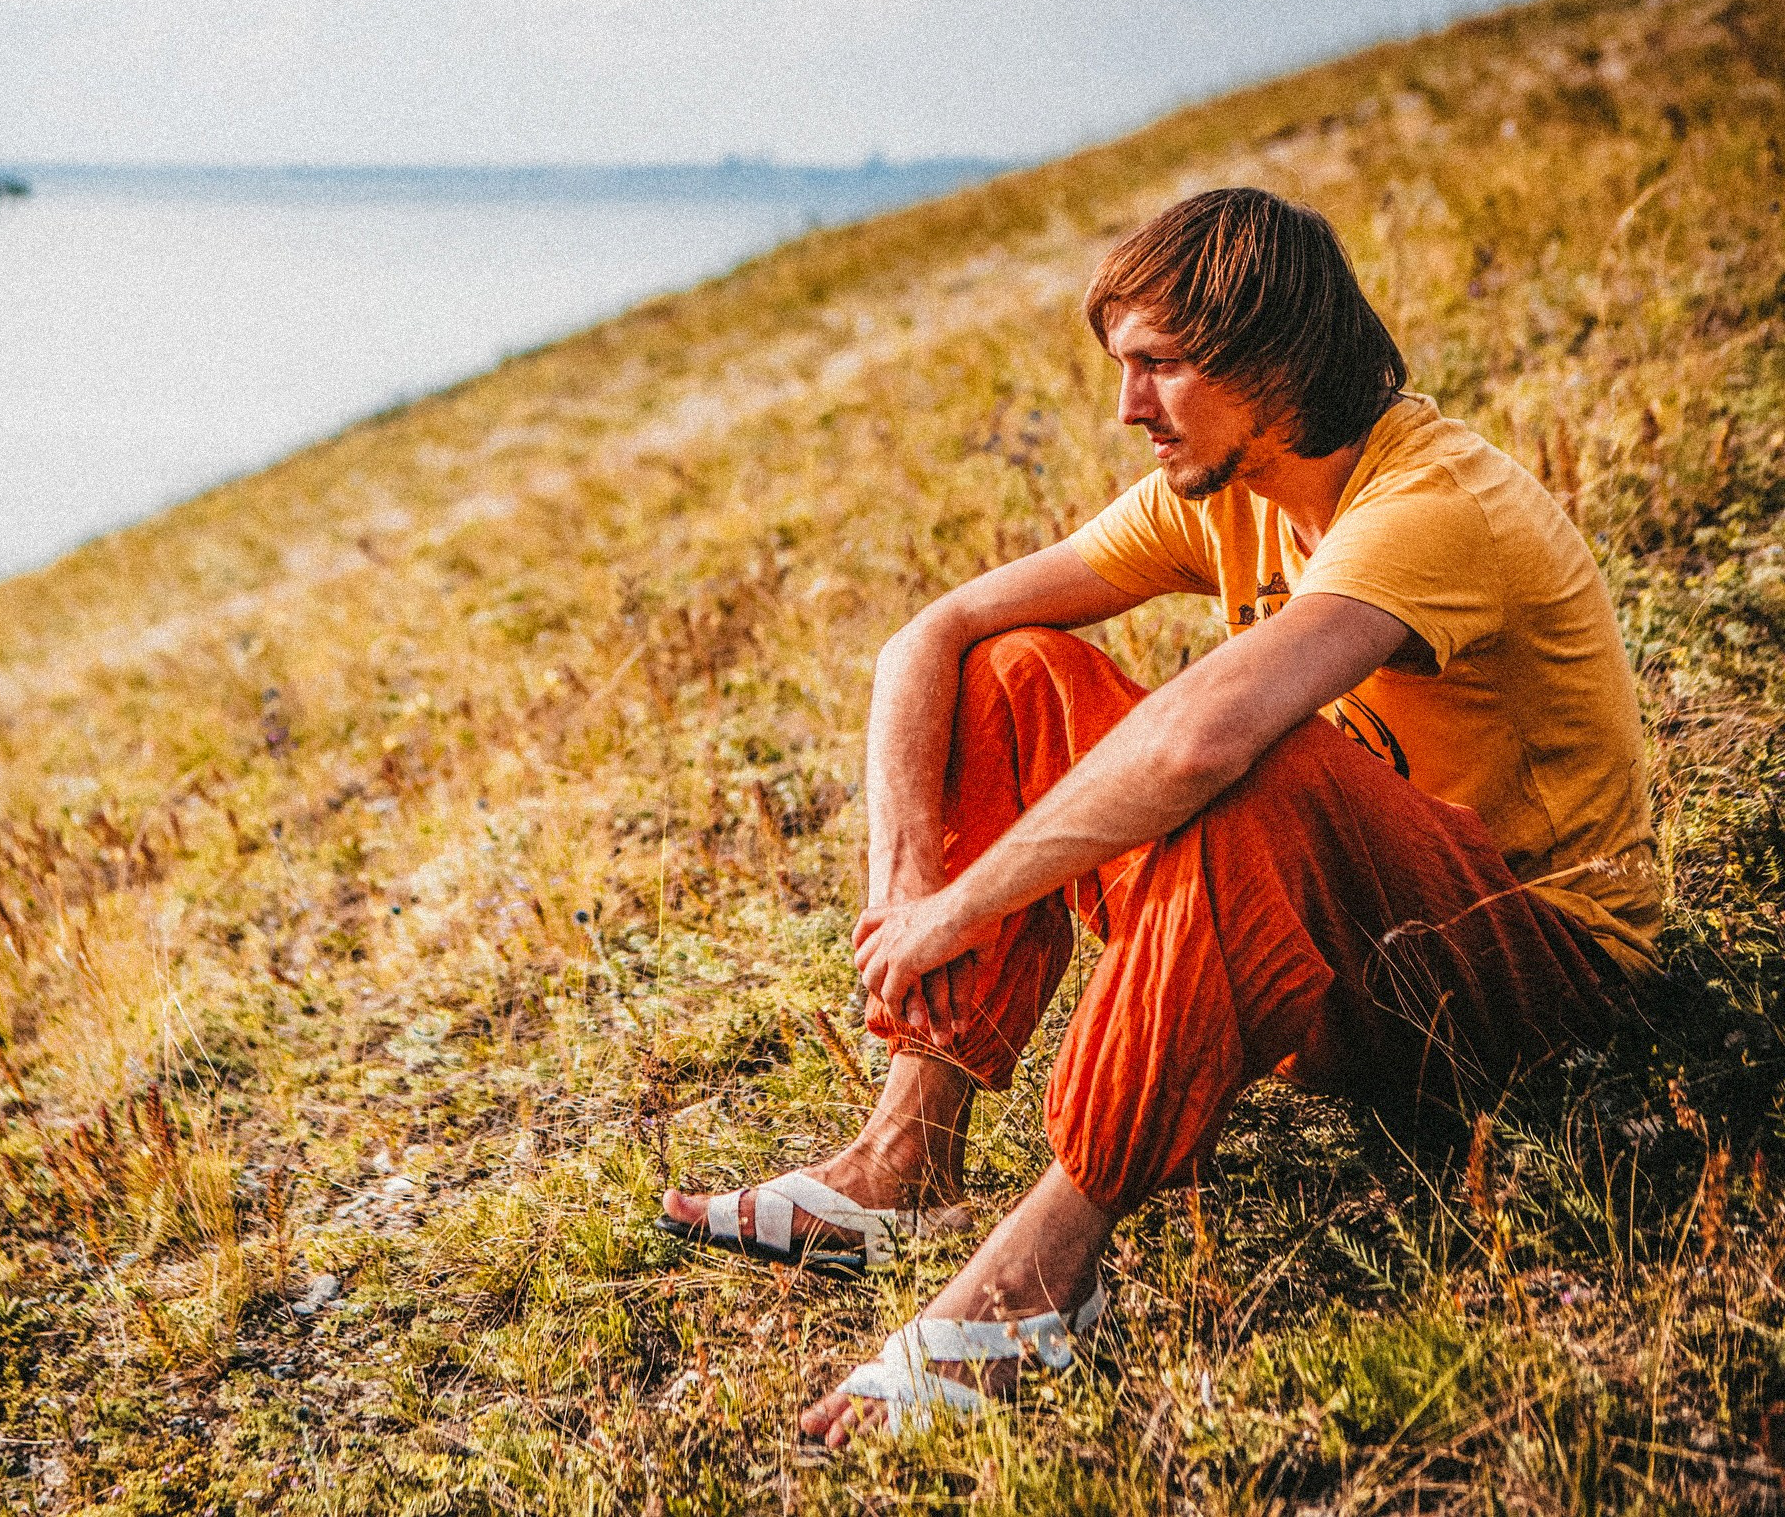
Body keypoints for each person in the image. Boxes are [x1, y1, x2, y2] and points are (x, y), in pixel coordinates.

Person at [653, 187, 1659, 1444]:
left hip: (1528, 981)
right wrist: (907, 897)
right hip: (1332, 946)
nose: (1127, 408)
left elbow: (1204, 741)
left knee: (1262, 765)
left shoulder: (1436, 507)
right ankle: (905, 1156)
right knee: (1015, 670)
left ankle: (1039, 1276)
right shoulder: (1225, 484)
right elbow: (935, 635)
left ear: (1276, 361)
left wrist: (972, 901)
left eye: (1158, 368)